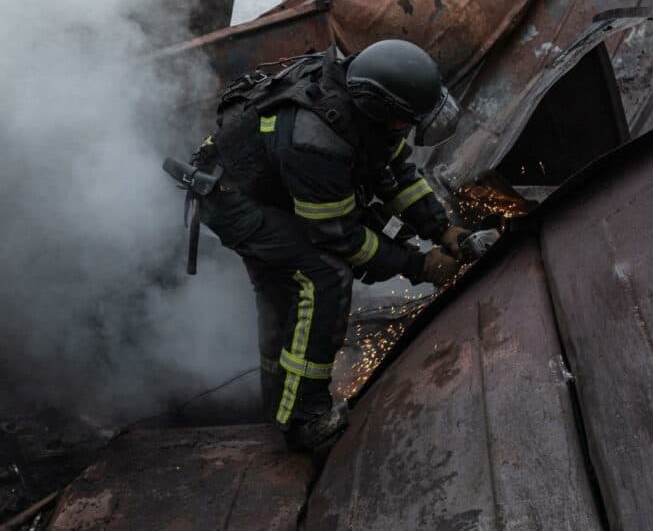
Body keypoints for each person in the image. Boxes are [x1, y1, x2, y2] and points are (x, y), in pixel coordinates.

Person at [188, 39, 471, 453]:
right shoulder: (316, 140)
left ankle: (277, 402)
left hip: (271, 191)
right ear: (381, 109)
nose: (407, 129)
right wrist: (419, 266)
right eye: (406, 121)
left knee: (283, 294)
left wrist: (443, 230)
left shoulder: (371, 113)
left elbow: (396, 174)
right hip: (232, 201)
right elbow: (340, 237)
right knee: (325, 276)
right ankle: (304, 420)